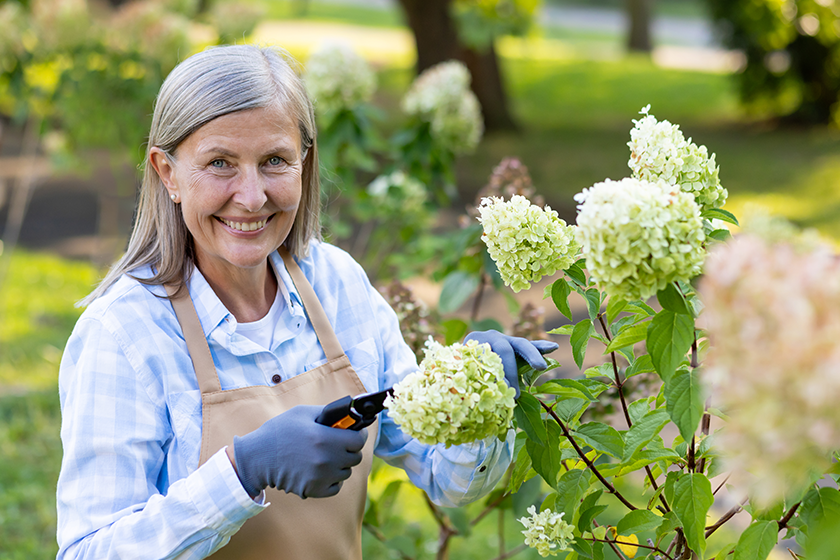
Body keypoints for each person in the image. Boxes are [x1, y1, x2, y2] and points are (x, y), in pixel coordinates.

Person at [56, 44, 556, 560]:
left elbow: (447, 479)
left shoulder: (337, 284)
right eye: (220, 163)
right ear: (168, 173)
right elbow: (89, 551)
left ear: (304, 162)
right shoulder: (123, 334)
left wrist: (475, 400)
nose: (251, 197)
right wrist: (243, 471)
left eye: (274, 160)